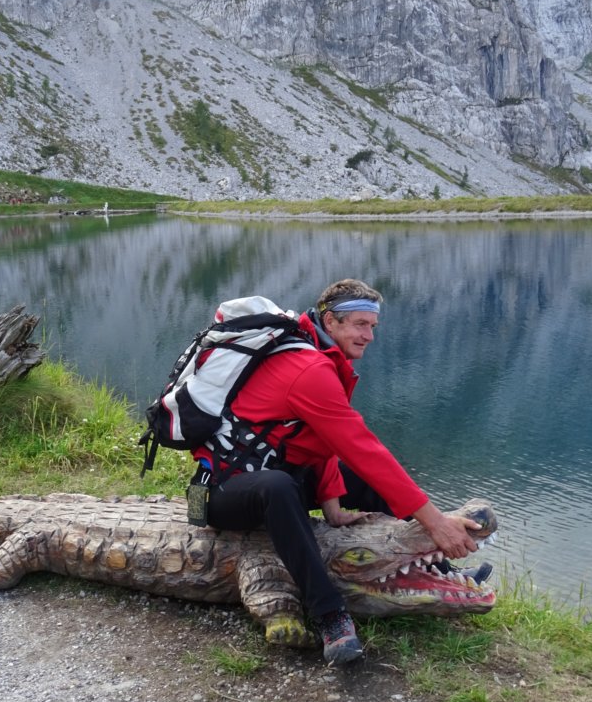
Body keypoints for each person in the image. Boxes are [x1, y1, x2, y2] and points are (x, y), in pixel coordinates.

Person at [192, 279, 487, 664]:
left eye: (373, 326)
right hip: (217, 494)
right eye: (360, 325)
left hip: (272, 475)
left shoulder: (319, 352)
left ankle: (438, 571)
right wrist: (436, 522)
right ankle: (330, 615)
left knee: (355, 479)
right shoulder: (308, 367)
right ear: (330, 321)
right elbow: (362, 447)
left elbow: (321, 440)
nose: (369, 336)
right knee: (281, 486)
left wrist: (332, 504)